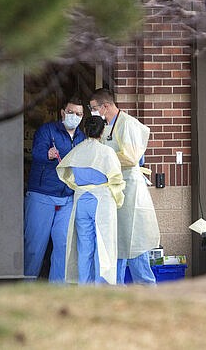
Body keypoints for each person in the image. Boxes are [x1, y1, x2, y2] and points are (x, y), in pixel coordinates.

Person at [89, 88, 160, 285]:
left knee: (134, 244)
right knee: (117, 244)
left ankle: (147, 289)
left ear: (105, 106)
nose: (92, 112)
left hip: (130, 192)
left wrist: (105, 159)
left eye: (94, 108)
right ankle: (114, 291)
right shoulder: (107, 126)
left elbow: (131, 156)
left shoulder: (128, 124)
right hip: (115, 191)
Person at [57, 116, 125, 285]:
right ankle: (100, 287)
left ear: (85, 130)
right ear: (102, 132)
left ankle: (84, 286)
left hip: (81, 200)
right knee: (103, 246)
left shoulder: (77, 151)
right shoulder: (106, 152)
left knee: (84, 246)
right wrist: (118, 199)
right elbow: (116, 179)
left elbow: (67, 174)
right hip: (102, 200)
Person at [24, 97, 85, 283]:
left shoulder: (82, 137)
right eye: (71, 112)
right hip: (41, 195)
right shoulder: (47, 130)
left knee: (63, 245)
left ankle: (57, 289)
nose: (74, 116)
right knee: (34, 246)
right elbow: (36, 153)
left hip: (67, 197)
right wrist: (47, 154)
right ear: (62, 113)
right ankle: (26, 286)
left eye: (79, 114)